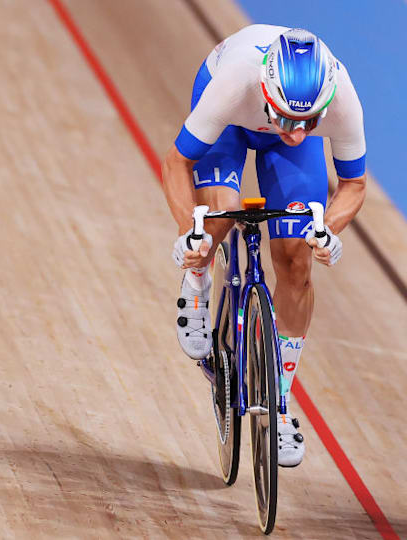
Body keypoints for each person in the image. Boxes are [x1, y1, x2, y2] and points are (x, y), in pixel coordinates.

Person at [162, 25, 366, 468]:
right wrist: (189, 234)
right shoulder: (235, 81)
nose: (296, 132)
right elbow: (178, 161)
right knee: (223, 210)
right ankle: (197, 279)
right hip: (234, 123)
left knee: (296, 262)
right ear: (267, 89)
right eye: (288, 118)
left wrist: (327, 229)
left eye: (308, 122)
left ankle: (279, 400)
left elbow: (353, 184)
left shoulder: (340, 96)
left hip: (268, 122)